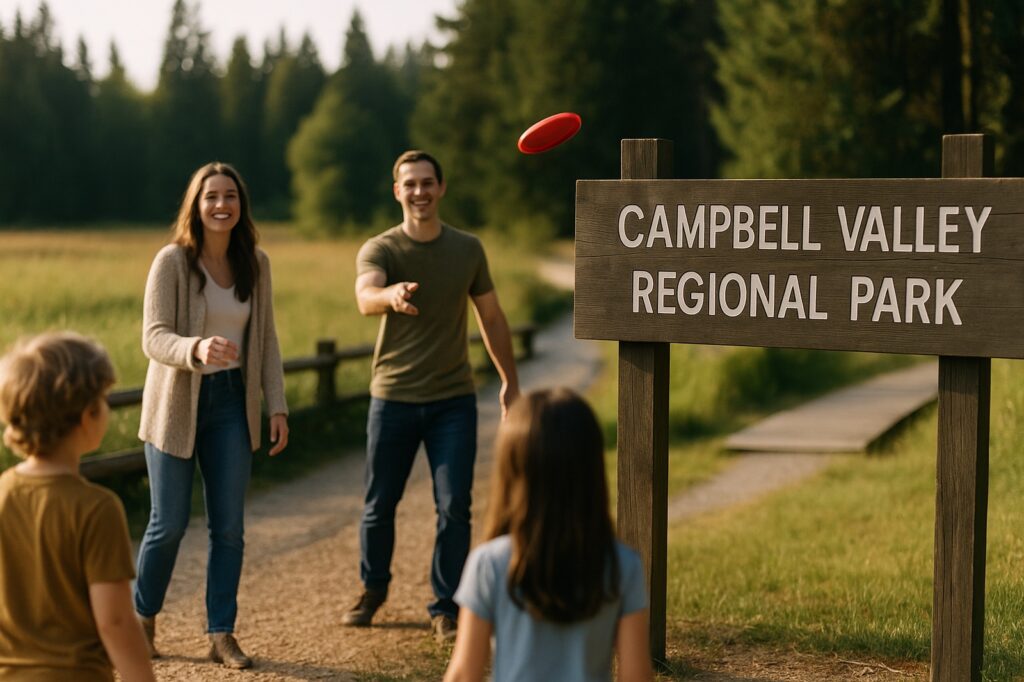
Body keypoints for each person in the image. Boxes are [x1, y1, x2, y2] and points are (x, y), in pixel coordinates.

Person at [345, 150, 520, 642]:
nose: (419, 192)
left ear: (441, 188)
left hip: (452, 401)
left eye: (427, 183)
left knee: (454, 506)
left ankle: (445, 607)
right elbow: (365, 296)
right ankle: (373, 590)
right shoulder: (380, 249)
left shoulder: (467, 249)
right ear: (396, 191)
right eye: (410, 184)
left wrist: (510, 379)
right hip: (393, 397)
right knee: (380, 503)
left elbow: (492, 317)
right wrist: (390, 297)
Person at [133, 161, 289, 669]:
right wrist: (195, 348)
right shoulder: (172, 262)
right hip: (176, 404)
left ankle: (221, 633)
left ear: (241, 205)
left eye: (230, 196)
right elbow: (153, 337)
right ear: (195, 206)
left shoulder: (256, 263)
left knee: (229, 529)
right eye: (211, 197)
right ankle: (143, 620)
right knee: (168, 524)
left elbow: (265, 341)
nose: (221, 205)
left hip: (231, 406)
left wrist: (277, 405)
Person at [443, 388, 654, 682]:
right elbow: (636, 676)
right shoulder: (623, 565)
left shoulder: (488, 564)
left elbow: (464, 675)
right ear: (591, 472)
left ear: (512, 473)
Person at [0, 332, 155, 682]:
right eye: (103, 400)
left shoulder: (2, 494)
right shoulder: (97, 509)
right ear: (88, 416)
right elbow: (114, 621)